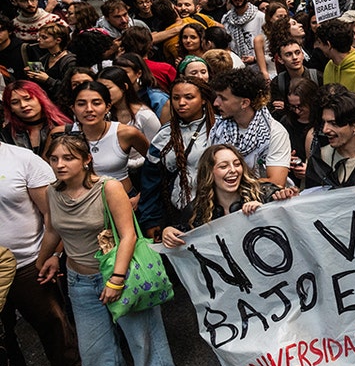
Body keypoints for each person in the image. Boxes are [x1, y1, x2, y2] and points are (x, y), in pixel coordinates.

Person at [39, 134, 179, 366]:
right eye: (54, 159)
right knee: (93, 342)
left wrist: (117, 278)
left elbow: (128, 235)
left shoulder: (109, 188)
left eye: (68, 158)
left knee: (141, 334)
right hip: (78, 277)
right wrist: (47, 259)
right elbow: (53, 231)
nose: (59, 165)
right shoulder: (53, 193)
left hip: (119, 272)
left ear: (86, 160)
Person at [0, 140, 82, 366]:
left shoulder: (22, 159)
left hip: (28, 259)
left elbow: (51, 213)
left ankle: (68, 364)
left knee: (50, 318)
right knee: (3, 332)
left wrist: (52, 254)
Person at [161, 144, 288, 249]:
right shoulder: (196, 209)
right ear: (210, 172)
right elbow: (182, 234)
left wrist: (265, 210)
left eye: (237, 164)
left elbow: (290, 218)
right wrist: (168, 232)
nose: (233, 170)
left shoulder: (264, 193)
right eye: (223, 166)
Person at [140, 78, 214, 235]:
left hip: (214, 212)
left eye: (189, 97)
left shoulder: (218, 129)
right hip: (176, 214)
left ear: (203, 100)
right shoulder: (164, 134)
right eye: (176, 98)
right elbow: (151, 180)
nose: (181, 103)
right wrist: (151, 219)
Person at [64, 81, 150, 201]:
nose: (89, 109)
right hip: (81, 204)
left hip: (124, 200)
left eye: (96, 103)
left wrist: (141, 196)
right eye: (81, 104)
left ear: (107, 107)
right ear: (73, 108)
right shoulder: (63, 134)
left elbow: (156, 164)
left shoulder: (126, 133)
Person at [209, 68, 291, 186]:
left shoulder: (274, 133)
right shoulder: (218, 130)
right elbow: (208, 172)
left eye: (223, 98)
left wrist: (229, 185)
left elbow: (275, 182)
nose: (216, 103)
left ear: (244, 103)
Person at [2, 80, 71, 156]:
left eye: (28, 99)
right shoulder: (5, 135)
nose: (23, 105)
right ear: (10, 108)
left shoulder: (63, 128)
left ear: (40, 99)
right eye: (15, 102)